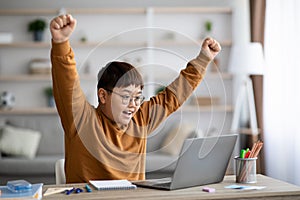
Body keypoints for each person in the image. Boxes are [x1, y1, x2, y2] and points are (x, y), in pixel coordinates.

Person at [50, 14, 221, 183]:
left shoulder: (140, 120)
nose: (133, 105)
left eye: (137, 97)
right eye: (126, 97)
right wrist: (61, 43)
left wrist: (203, 59)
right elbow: (67, 85)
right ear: (103, 95)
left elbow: (173, 96)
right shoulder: (82, 121)